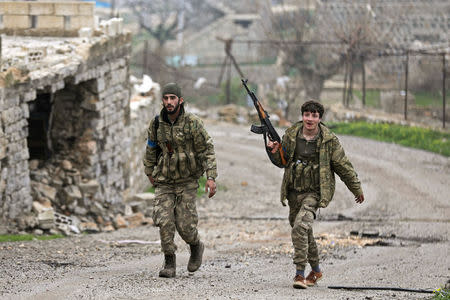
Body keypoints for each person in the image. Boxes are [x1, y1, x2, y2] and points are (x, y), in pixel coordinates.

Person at [267, 100, 364, 289]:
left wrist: (356, 189)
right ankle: (316, 270)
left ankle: (299, 274)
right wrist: (274, 151)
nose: (310, 119)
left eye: (314, 115)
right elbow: (283, 161)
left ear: (319, 118)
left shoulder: (329, 141)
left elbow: (343, 166)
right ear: (302, 116)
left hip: (315, 193)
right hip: (294, 191)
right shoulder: (291, 135)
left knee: (300, 229)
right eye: (307, 115)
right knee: (304, 231)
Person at [143, 83, 218, 278]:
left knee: (185, 225)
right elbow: (151, 147)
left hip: (187, 180)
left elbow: (207, 150)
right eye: (166, 98)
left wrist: (210, 177)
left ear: (180, 100)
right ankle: (169, 261)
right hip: (165, 180)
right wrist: (149, 170)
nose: (169, 102)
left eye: (172, 98)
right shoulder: (157, 123)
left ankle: (195, 245)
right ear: (162, 101)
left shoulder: (193, 123)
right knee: (164, 220)